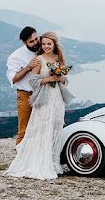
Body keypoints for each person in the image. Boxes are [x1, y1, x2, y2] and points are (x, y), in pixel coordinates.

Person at [5, 32, 74, 180]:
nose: (46, 46)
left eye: (49, 44)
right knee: (42, 128)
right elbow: (34, 82)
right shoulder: (38, 59)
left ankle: (53, 162)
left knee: (55, 127)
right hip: (44, 99)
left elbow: (65, 81)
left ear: (54, 44)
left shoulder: (59, 58)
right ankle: (39, 162)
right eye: (43, 44)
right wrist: (50, 78)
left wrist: (60, 78)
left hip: (57, 99)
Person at [6, 26, 42, 145]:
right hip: (25, 95)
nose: (36, 42)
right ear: (24, 42)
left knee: (41, 127)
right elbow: (14, 78)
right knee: (24, 129)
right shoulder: (16, 56)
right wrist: (28, 67)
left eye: (36, 39)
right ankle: (20, 155)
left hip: (42, 94)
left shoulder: (43, 47)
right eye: (31, 42)